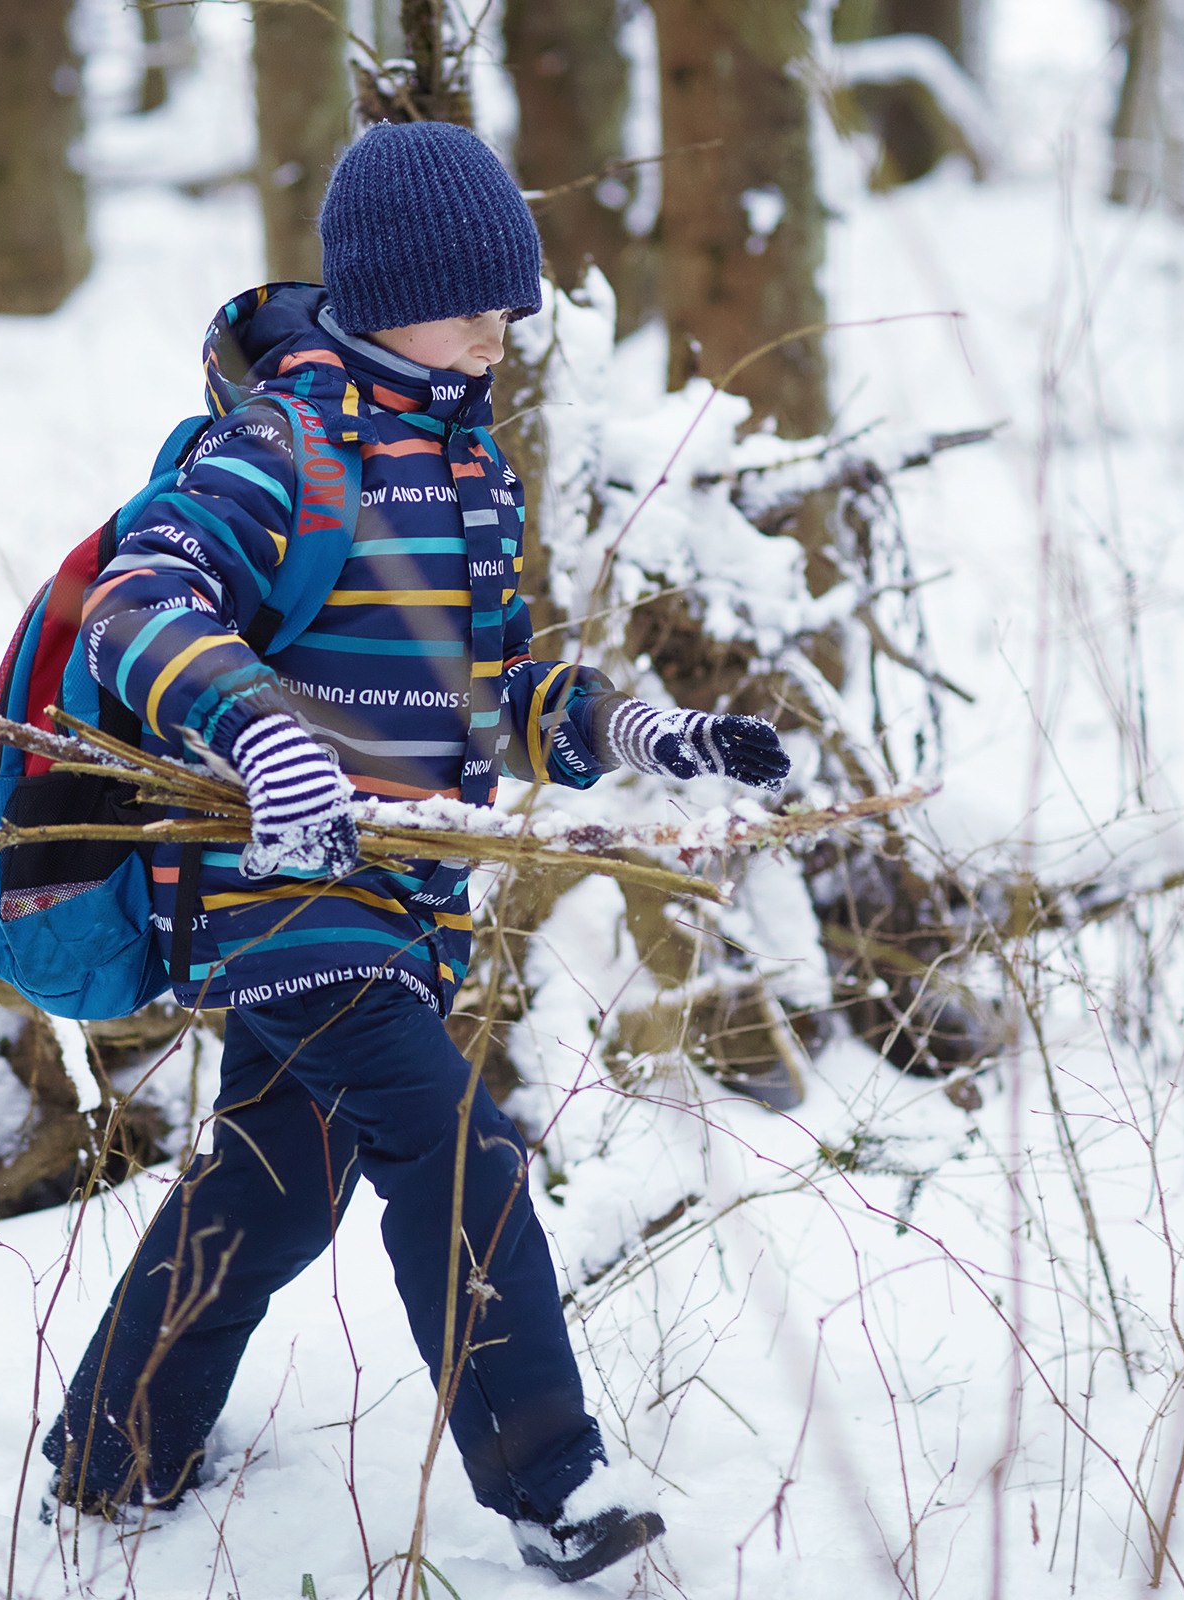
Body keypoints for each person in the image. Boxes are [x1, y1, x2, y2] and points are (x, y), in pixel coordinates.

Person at [39, 120, 788, 1583]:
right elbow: (137, 603)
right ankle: (554, 1489)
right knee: (461, 1153)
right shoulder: (288, 445)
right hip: (283, 897)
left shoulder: (469, 471)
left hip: (398, 898)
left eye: (513, 308)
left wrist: (654, 738)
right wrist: (260, 728)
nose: (501, 336)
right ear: (384, 293)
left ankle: (111, 1457)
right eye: (473, 307)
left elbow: (502, 696)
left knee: (271, 1185)